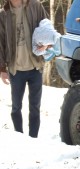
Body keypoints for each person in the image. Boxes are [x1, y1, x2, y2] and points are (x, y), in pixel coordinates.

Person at [0, 0, 48, 138]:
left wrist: (46, 44)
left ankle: (33, 138)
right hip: (16, 70)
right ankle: (19, 138)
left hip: (35, 67)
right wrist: (2, 68)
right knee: (16, 108)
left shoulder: (35, 6)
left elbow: (47, 27)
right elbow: (1, 42)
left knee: (35, 108)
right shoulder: (3, 15)